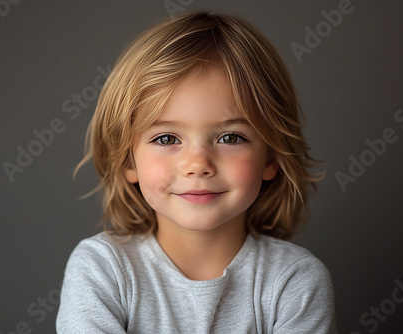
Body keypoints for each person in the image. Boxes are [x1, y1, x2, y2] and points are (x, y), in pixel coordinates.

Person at [56, 10, 337, 333]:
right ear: (128, 161)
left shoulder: (295, 279)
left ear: (271, 157)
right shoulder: (102, 268)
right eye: (166, 138)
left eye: (231, 138)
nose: (198, 164)